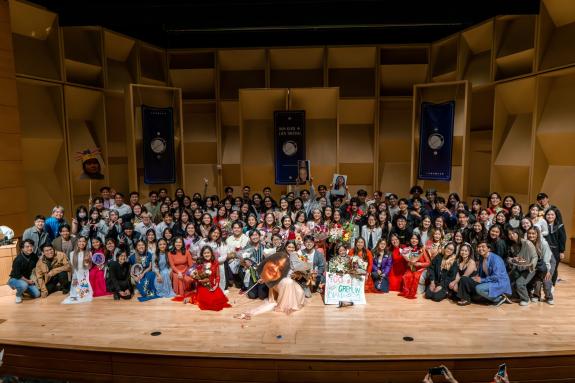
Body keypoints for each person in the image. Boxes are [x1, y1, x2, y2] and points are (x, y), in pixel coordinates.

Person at [235, 251, 307, 319]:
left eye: (292, 247)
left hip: (289, 281)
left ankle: (291, 302)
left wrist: (298, 274)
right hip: (278, 282)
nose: (290, 249)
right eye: (288, 247)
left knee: (297, 289)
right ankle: (284, 302)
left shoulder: (296, 257)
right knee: (287, 282)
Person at [456, 241, 511, 306]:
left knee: (478, 289)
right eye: (479, 247)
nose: (480, 248)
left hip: (498, 282)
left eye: (483, 246)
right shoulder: (482, 258)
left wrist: (482, 280)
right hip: (488, 281)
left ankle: (499, 298)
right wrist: (475, 278)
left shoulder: (496, 259)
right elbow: (481, 274)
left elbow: (497, 276)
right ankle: (466, 299)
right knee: (464, 279)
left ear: (489, 249)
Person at [185, 246, 231, 311]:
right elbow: (196, 277)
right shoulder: (199, 263)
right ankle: (192, 298)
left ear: (211, 253)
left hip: (212, 284)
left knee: (219, 300)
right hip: (202, 285)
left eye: (208, 253)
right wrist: (201, 280)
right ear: (202, 255)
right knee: (207, 301)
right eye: (205, 253)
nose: (207, 254)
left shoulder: (215, 262)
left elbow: (217, 276)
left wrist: (216, 285)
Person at [507, 228, 538, 306]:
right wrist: (513, 259)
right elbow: (509, 258)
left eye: (513, 233)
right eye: (509, 234)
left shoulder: (527, 243)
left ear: (518, 234)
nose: (511, 235)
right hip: (518, 268)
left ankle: (526, 299)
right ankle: (516, 296)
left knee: (519, 283)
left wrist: (531, 265)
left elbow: (535, 257)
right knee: (507, 278)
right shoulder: (512, 245)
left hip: (529, 269)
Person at [8, 239, 41, 303]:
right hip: (15, 278)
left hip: (28, 279)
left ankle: (23, 289)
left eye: (31, 246)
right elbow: (17, 275)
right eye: (27, 247)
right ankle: (18, 295)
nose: (30, 248)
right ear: (22, 249)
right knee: (24, 285)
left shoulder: (34, 256)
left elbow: (37, 267)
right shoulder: (18, 259)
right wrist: (28, 281)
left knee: (37, 294)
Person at [399, 233, 430, 299]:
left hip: (421, 269)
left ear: (418, 240)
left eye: (416, 239)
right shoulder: (407, 249)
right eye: (412, 238)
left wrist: (419, 264)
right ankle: (407, 291)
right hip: (411, 268)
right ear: (410, 239)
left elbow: (428, 263)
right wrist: (409, 263)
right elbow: (406, 262)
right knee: (407, 276)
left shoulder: (422, 249)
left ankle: (413, 291)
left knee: (416, 275)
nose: (414, 240)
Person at [63, 237, 93, 304]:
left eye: (83, 241)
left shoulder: (89, 253)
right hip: (76, 275)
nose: (81, 243)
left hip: (85, 275)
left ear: (86, 243)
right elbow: (72, 268)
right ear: (77, 242)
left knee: (83, 295)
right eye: (80, 241)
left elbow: (89, 267)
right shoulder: (72, 253)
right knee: (74, 296)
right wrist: (74, 278)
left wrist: (87, 262)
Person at [544, 208, 566, 286]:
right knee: (544, 267)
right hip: (545, 250)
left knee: (554, 268)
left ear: (555, 216)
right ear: (545, 215)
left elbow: (562, 239)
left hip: (555, 250)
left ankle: (552, 285)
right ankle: (545, 284)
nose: (550, 216)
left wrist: (562, 251)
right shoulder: (543, 225)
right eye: (548, 214)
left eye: (552, 214)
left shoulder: (559, 226)